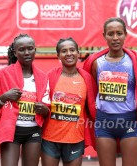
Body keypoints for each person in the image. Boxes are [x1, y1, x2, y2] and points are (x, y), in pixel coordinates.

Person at [83, 17, 137, 166]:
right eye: (110, 34)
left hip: (129, 122)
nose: (115, 38)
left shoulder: (136, 61)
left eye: (119, 33)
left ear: (125, 34)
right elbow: (89, 91)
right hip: (104, 123)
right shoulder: (96, 62)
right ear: (104, 36)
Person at [0, 34, 50, 166]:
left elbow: (47, 109)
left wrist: (44, 110)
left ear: (35, 50)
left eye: (30, 48)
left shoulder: (43, 77)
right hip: (11, 130)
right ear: (15, 52)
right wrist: (4, 97)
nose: (27, 52)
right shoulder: (5, 74)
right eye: (21, 49)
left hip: (33, 131)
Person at [41, 37, 96, 166]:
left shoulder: (86, 78)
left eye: (72, 50)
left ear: (78, 53)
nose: (69, 53)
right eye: (64, 51)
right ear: (58, 55)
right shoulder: (49, 76)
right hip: (50, 139)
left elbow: (92, 107)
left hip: (75, 138)